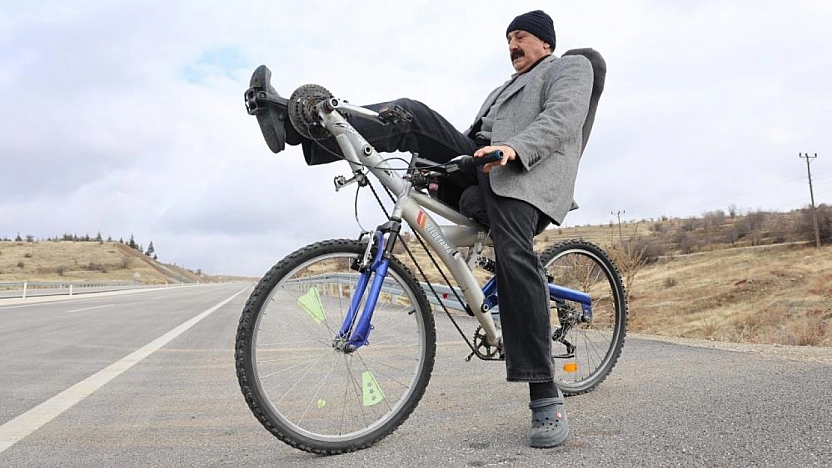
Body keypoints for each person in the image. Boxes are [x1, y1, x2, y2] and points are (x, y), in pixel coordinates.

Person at [247, 10, 598, 448]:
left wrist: (513, 147)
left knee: (513, 256)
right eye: (508, 38)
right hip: (480, 167)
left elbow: (561, 120)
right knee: (408, 115)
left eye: (521, 37)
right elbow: (471, 141)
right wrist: (438, 173)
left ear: (545, 42)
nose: (512, 45)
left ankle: (545, 395)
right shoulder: (501, 89)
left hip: (525, 177)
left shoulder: (570, 67)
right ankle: (296, 123)